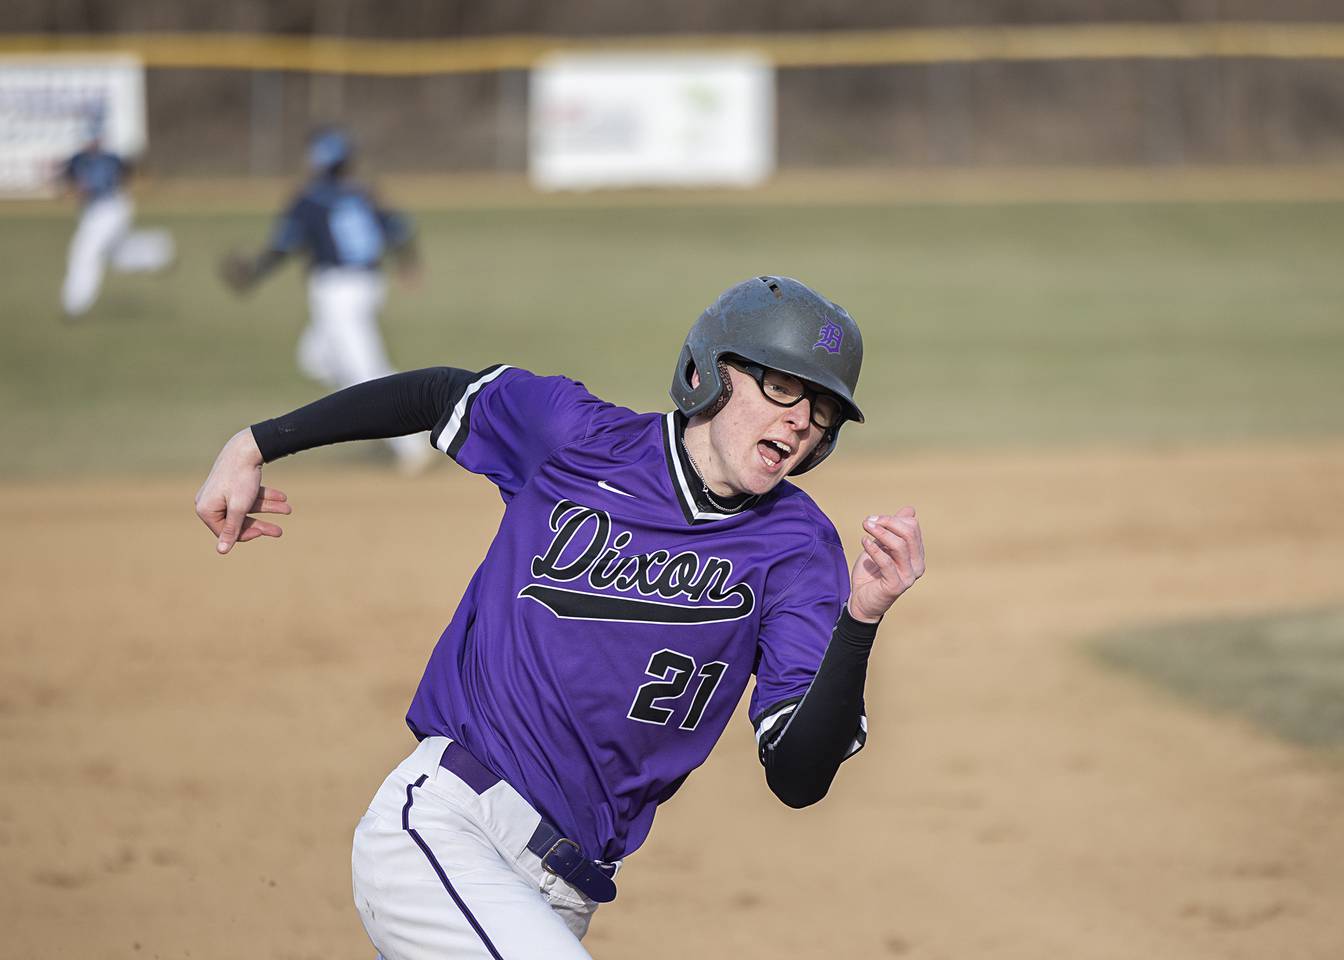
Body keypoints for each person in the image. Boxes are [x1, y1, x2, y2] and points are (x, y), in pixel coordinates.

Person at [194, 275, 925, 959]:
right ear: (711, 369)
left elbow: (799, 776)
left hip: (563, 895)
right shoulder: (577, 438)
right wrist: (254, 444)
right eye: (782, 386)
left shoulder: (798, 549)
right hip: (448, 828)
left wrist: (861, 619)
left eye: (821, 413)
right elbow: (440, 394)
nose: (799, 422)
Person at [219, 126, 430, 474]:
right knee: (315, 358)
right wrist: (408, 263)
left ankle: (413, 442)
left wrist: (254, 272)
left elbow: (283, 246)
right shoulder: (363, 193)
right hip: (367, 284)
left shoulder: (309, 199)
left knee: (365, 369)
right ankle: (373, 412)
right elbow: (400, 228)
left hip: (337, 290)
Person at [58, 119, 175, 318]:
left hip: (110, 209)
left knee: (85, 252)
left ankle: (74, 304)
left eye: (94, 138)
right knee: (117, 254)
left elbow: (128, 172)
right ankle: (159, 253)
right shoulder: (77, 160)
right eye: (88, 139)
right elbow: (67, 181)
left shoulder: (110, 159)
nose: (91, 142)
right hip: (92, 214)